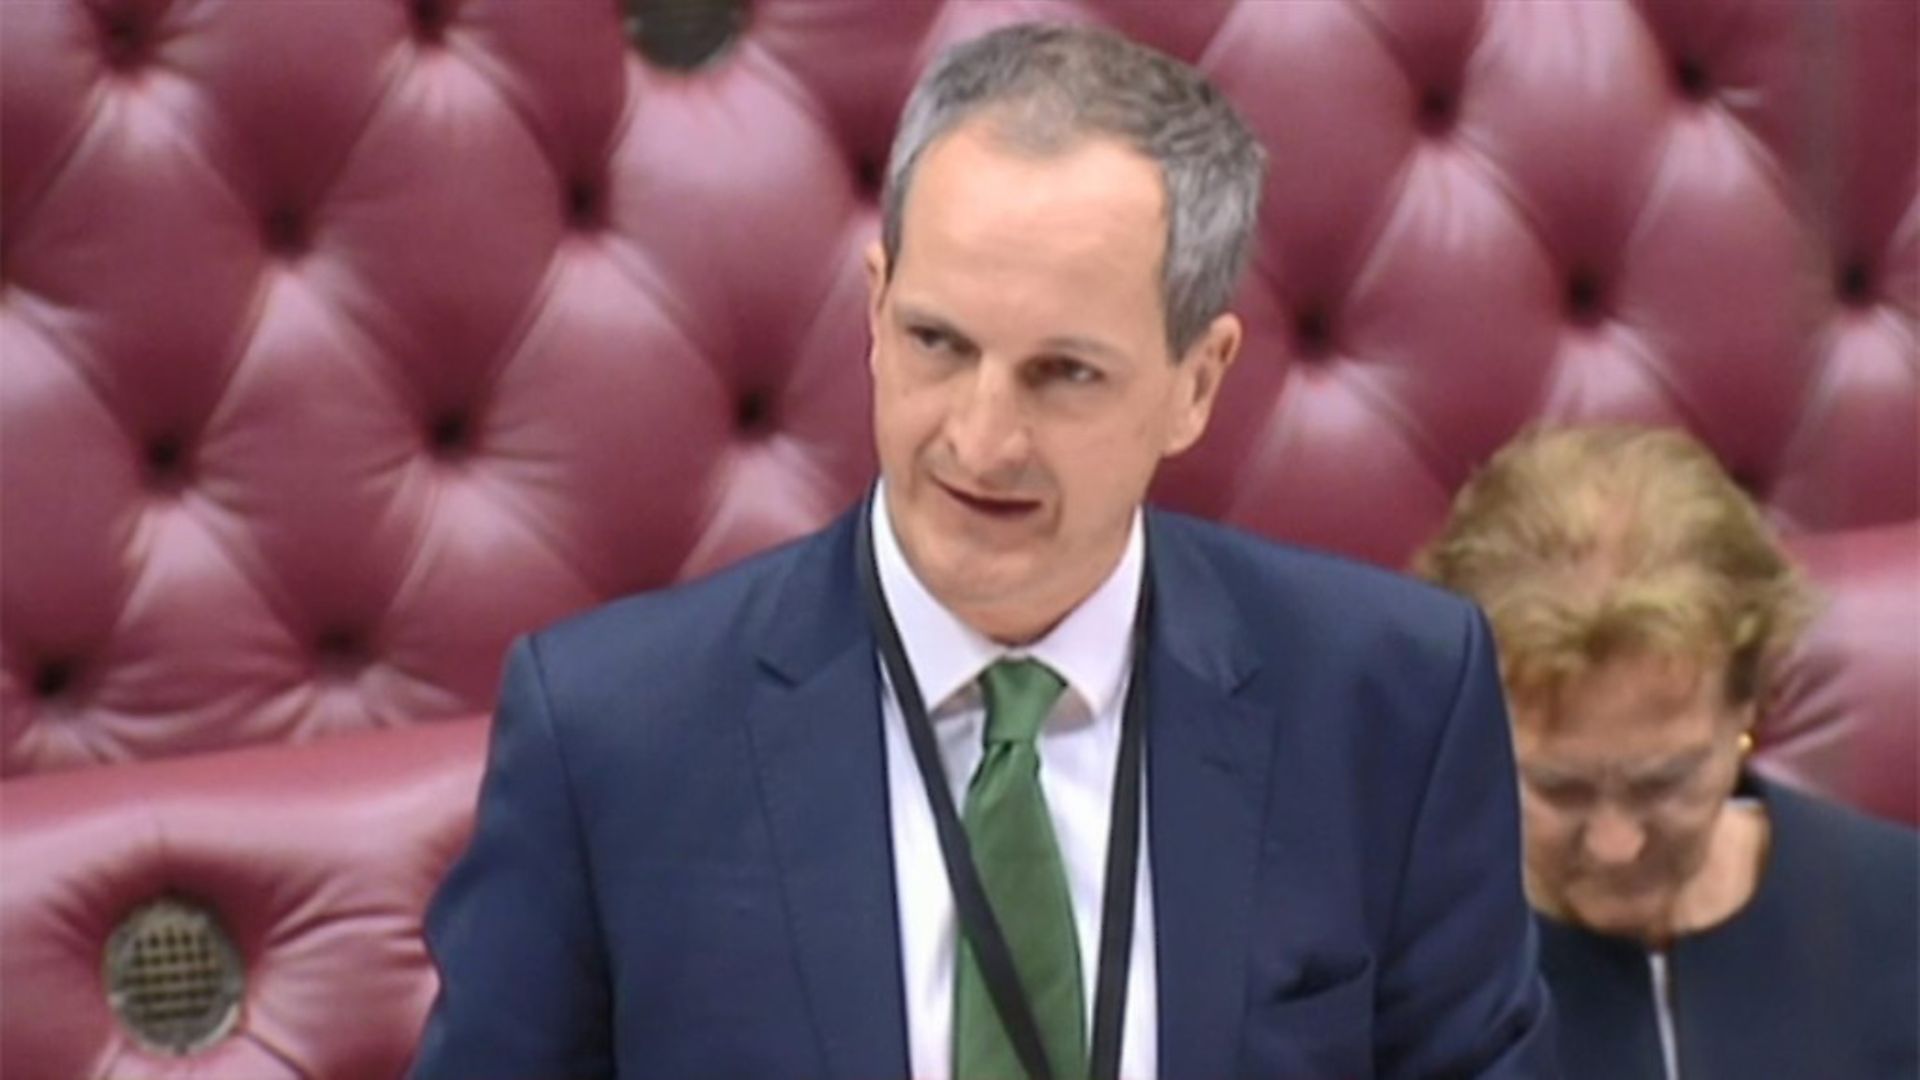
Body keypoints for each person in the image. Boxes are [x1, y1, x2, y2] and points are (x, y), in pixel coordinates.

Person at [413, 23, 1554, 1079]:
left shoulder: (1392, 701)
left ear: (1196, 383)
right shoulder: (612, 734)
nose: (979, 439)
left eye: (1064, 373)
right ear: (874, 311)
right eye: (938, 343)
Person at [1414, 425, 1919, 1080]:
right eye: (1558, 788)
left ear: (1753, 703)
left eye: (1665, 783)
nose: (1616, 844)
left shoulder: (1901, 906)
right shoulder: (1404, 956)